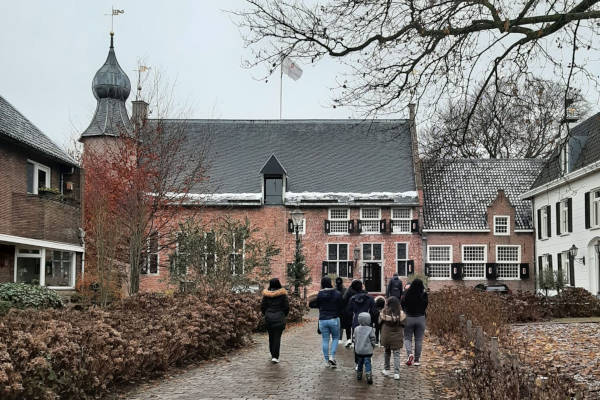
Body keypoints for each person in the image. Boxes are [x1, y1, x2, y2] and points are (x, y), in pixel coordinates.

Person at [309, 276, 343, 368]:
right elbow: (341, 305)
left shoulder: (320, 294)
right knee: (336, 338)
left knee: (325, 340)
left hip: (323, 319)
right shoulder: (337, 293)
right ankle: (332, 356)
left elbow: (318, 306)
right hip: (334, 318)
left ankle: (327, 360)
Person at [261, 278, 289, 363]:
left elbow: (262, 307)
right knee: (277, 337)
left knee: (271, 337)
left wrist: (266, 314)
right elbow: (286, 307)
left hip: (269, 318)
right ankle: (275, 356)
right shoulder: (282, 295)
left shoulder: (266, 295)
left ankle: (272, 353)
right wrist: (283, 315)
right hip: (279, 318)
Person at [401, 278, 428, 366]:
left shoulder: (407, 294)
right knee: (419, 340)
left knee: (407, 338)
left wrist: (406, 311)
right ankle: (417, 360)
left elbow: (402, 303)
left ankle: (410, 354)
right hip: (420, 318)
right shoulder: (424, 295)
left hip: (409, 318)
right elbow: (425, 305)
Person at [380, 296, 405, 380]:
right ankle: (396, 373)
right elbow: (405, 323)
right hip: (397, 336)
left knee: (387, 352)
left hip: (386, 335)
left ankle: (387, 370)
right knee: (396, 354)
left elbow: (379, 321)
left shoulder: (384, 312)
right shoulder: (401, 313)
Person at [353, 312, 376, 384]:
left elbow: (354, 338)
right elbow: (373, 339)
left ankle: (359, 375)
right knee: (367, 362)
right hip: (367, 350)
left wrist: (357, 344)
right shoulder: (370, 329)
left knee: (359, 362)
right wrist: (373, 345)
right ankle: (368, 375)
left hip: (359, 350)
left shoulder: (356, 329)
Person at [341, 279, 362, 347]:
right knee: (355, 325)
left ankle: (349, 339)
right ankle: (354, 340)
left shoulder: (349, 291)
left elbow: (344, 299)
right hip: (357, 311)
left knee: (348, 326)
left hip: (348, 310)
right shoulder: (360, 292)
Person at [335, 277, 350, 342]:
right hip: (344, 310)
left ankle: (339, 339)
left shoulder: (334, 291)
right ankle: (348, 339)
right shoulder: (345, 290)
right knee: (346, 326)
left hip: (338, 310)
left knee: (339, 325)